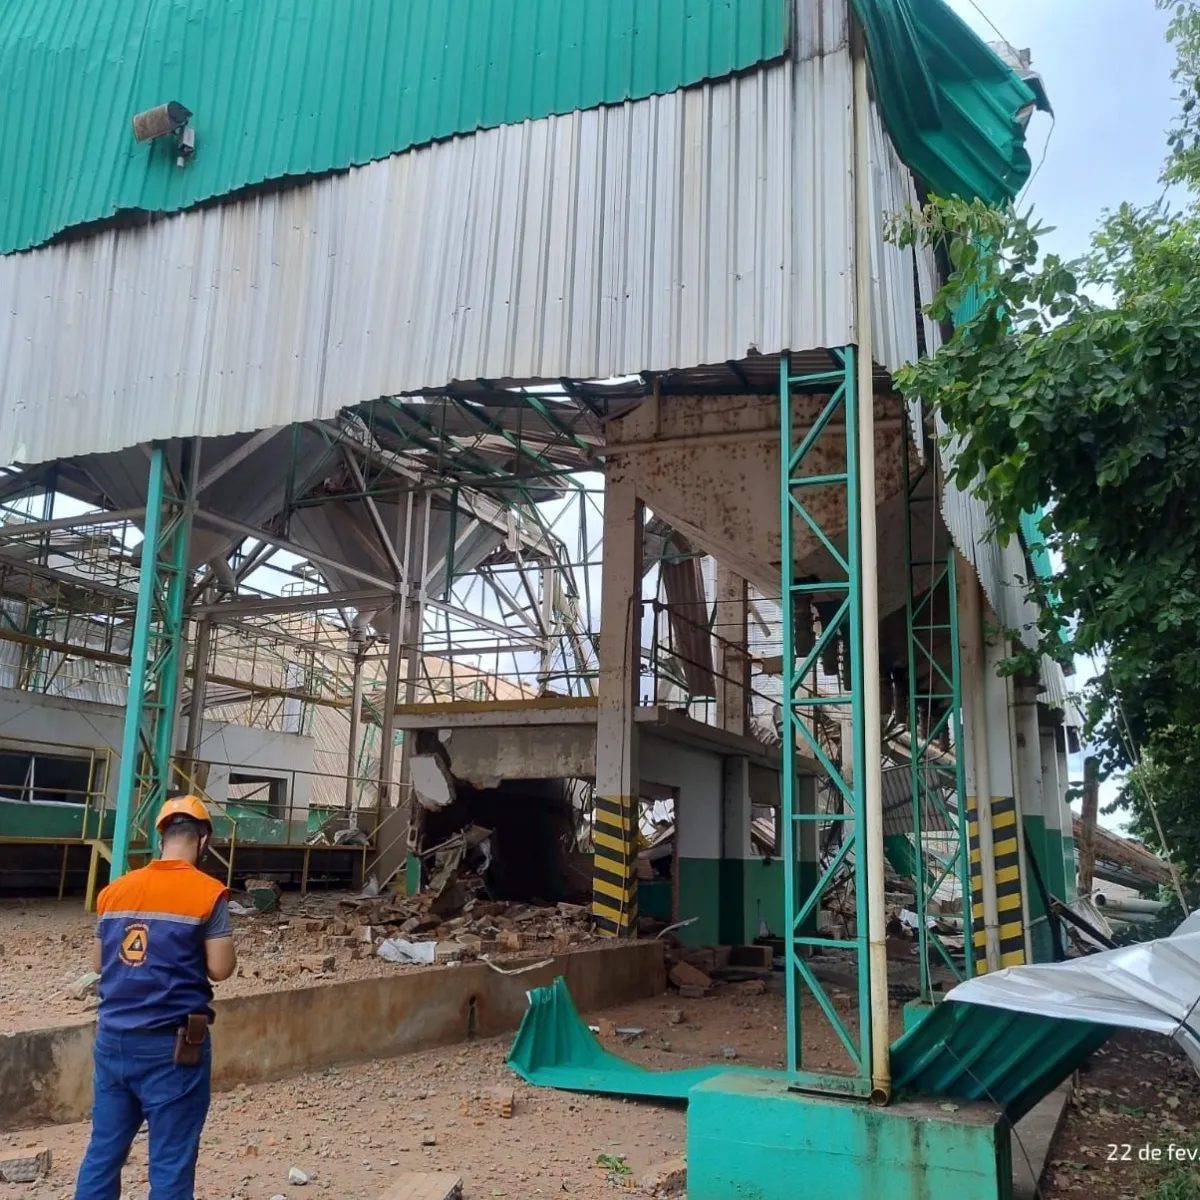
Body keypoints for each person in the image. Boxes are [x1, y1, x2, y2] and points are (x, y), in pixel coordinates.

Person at [74, 795, 236, 1200]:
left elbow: (98, 961)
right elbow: (220, 968)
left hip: (112, 1041)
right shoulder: (208, 893)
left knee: (104, 1152)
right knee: (170, 1163)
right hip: (173, 1048)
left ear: (160, 835)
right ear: (203, 840)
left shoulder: (115, 891)